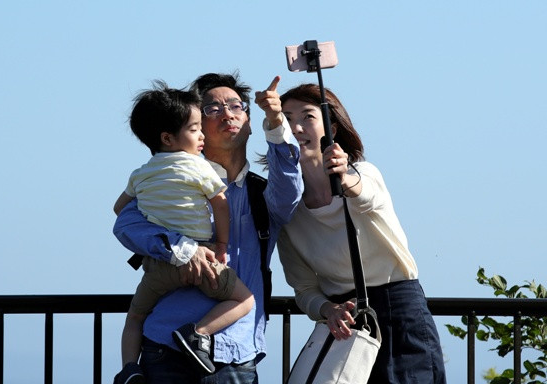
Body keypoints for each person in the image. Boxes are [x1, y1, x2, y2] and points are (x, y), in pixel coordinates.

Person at [113, 72, 303, 384]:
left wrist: (276, 121)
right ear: (195, 126)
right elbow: (126, 225)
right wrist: (183, 250)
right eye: (212, 109)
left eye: (236, 106)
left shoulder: (262, 193)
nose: (227, 113)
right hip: (165, 345)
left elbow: (290, 191)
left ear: (250, 122)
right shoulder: (172, 181)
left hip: (235, 352)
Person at [277, 84, 447, 383]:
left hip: (399, 312)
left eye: (307, 117)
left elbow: (364, 196)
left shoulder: (364, 172)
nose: (296, 127)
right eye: (286, 119)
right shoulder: (286, 208)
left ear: (331, 126)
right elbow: (303, 289)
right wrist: (327, 310)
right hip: (345, 323)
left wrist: (343, 176)